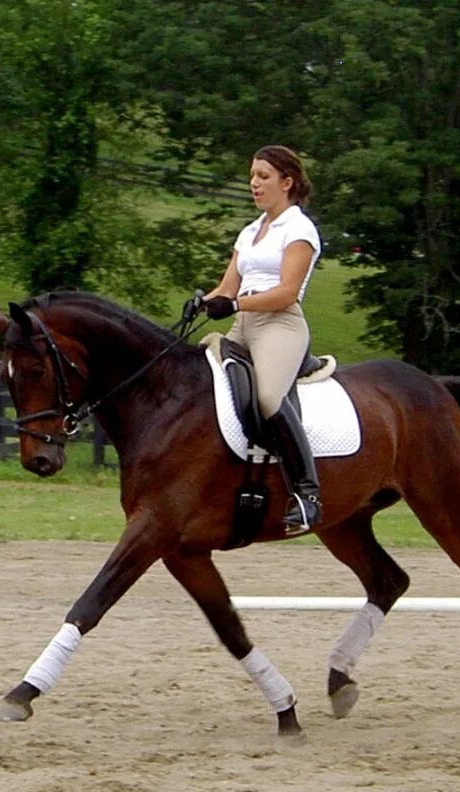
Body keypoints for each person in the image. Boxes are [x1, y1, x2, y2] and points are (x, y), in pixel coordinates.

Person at [201, 144, 323, 535]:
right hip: (244, 323)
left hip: (279, 324)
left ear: (287, 183)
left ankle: (307, 495)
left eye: (264, 177)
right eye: (253, 176)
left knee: (269, 397)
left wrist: (235, 303)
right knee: (193, 375)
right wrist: (202, 302)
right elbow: (226, 286)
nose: (254, 184)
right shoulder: (250, 231)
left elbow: (287, 292)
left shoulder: (299, 229)